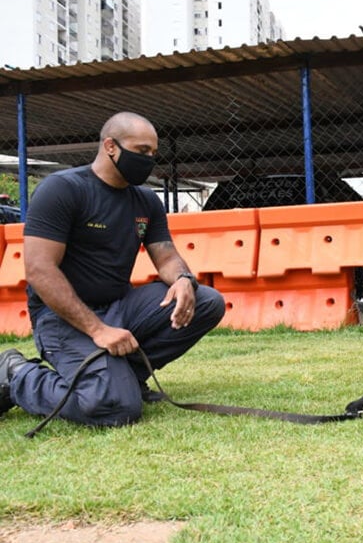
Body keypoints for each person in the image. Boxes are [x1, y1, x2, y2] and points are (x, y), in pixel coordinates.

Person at [0, 111, 225, 427]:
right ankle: (17, 375)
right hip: (62, 319)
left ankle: (127, 377)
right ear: (110, 146)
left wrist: (184, 279)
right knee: (114, 408)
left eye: (153, 153)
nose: (148, 160)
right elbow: (39, 270)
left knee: (206, 301)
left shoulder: (146, 201)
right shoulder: (63, 189)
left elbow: (166, 258)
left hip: (119, 307)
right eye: (141, 151)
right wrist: (98, 330)